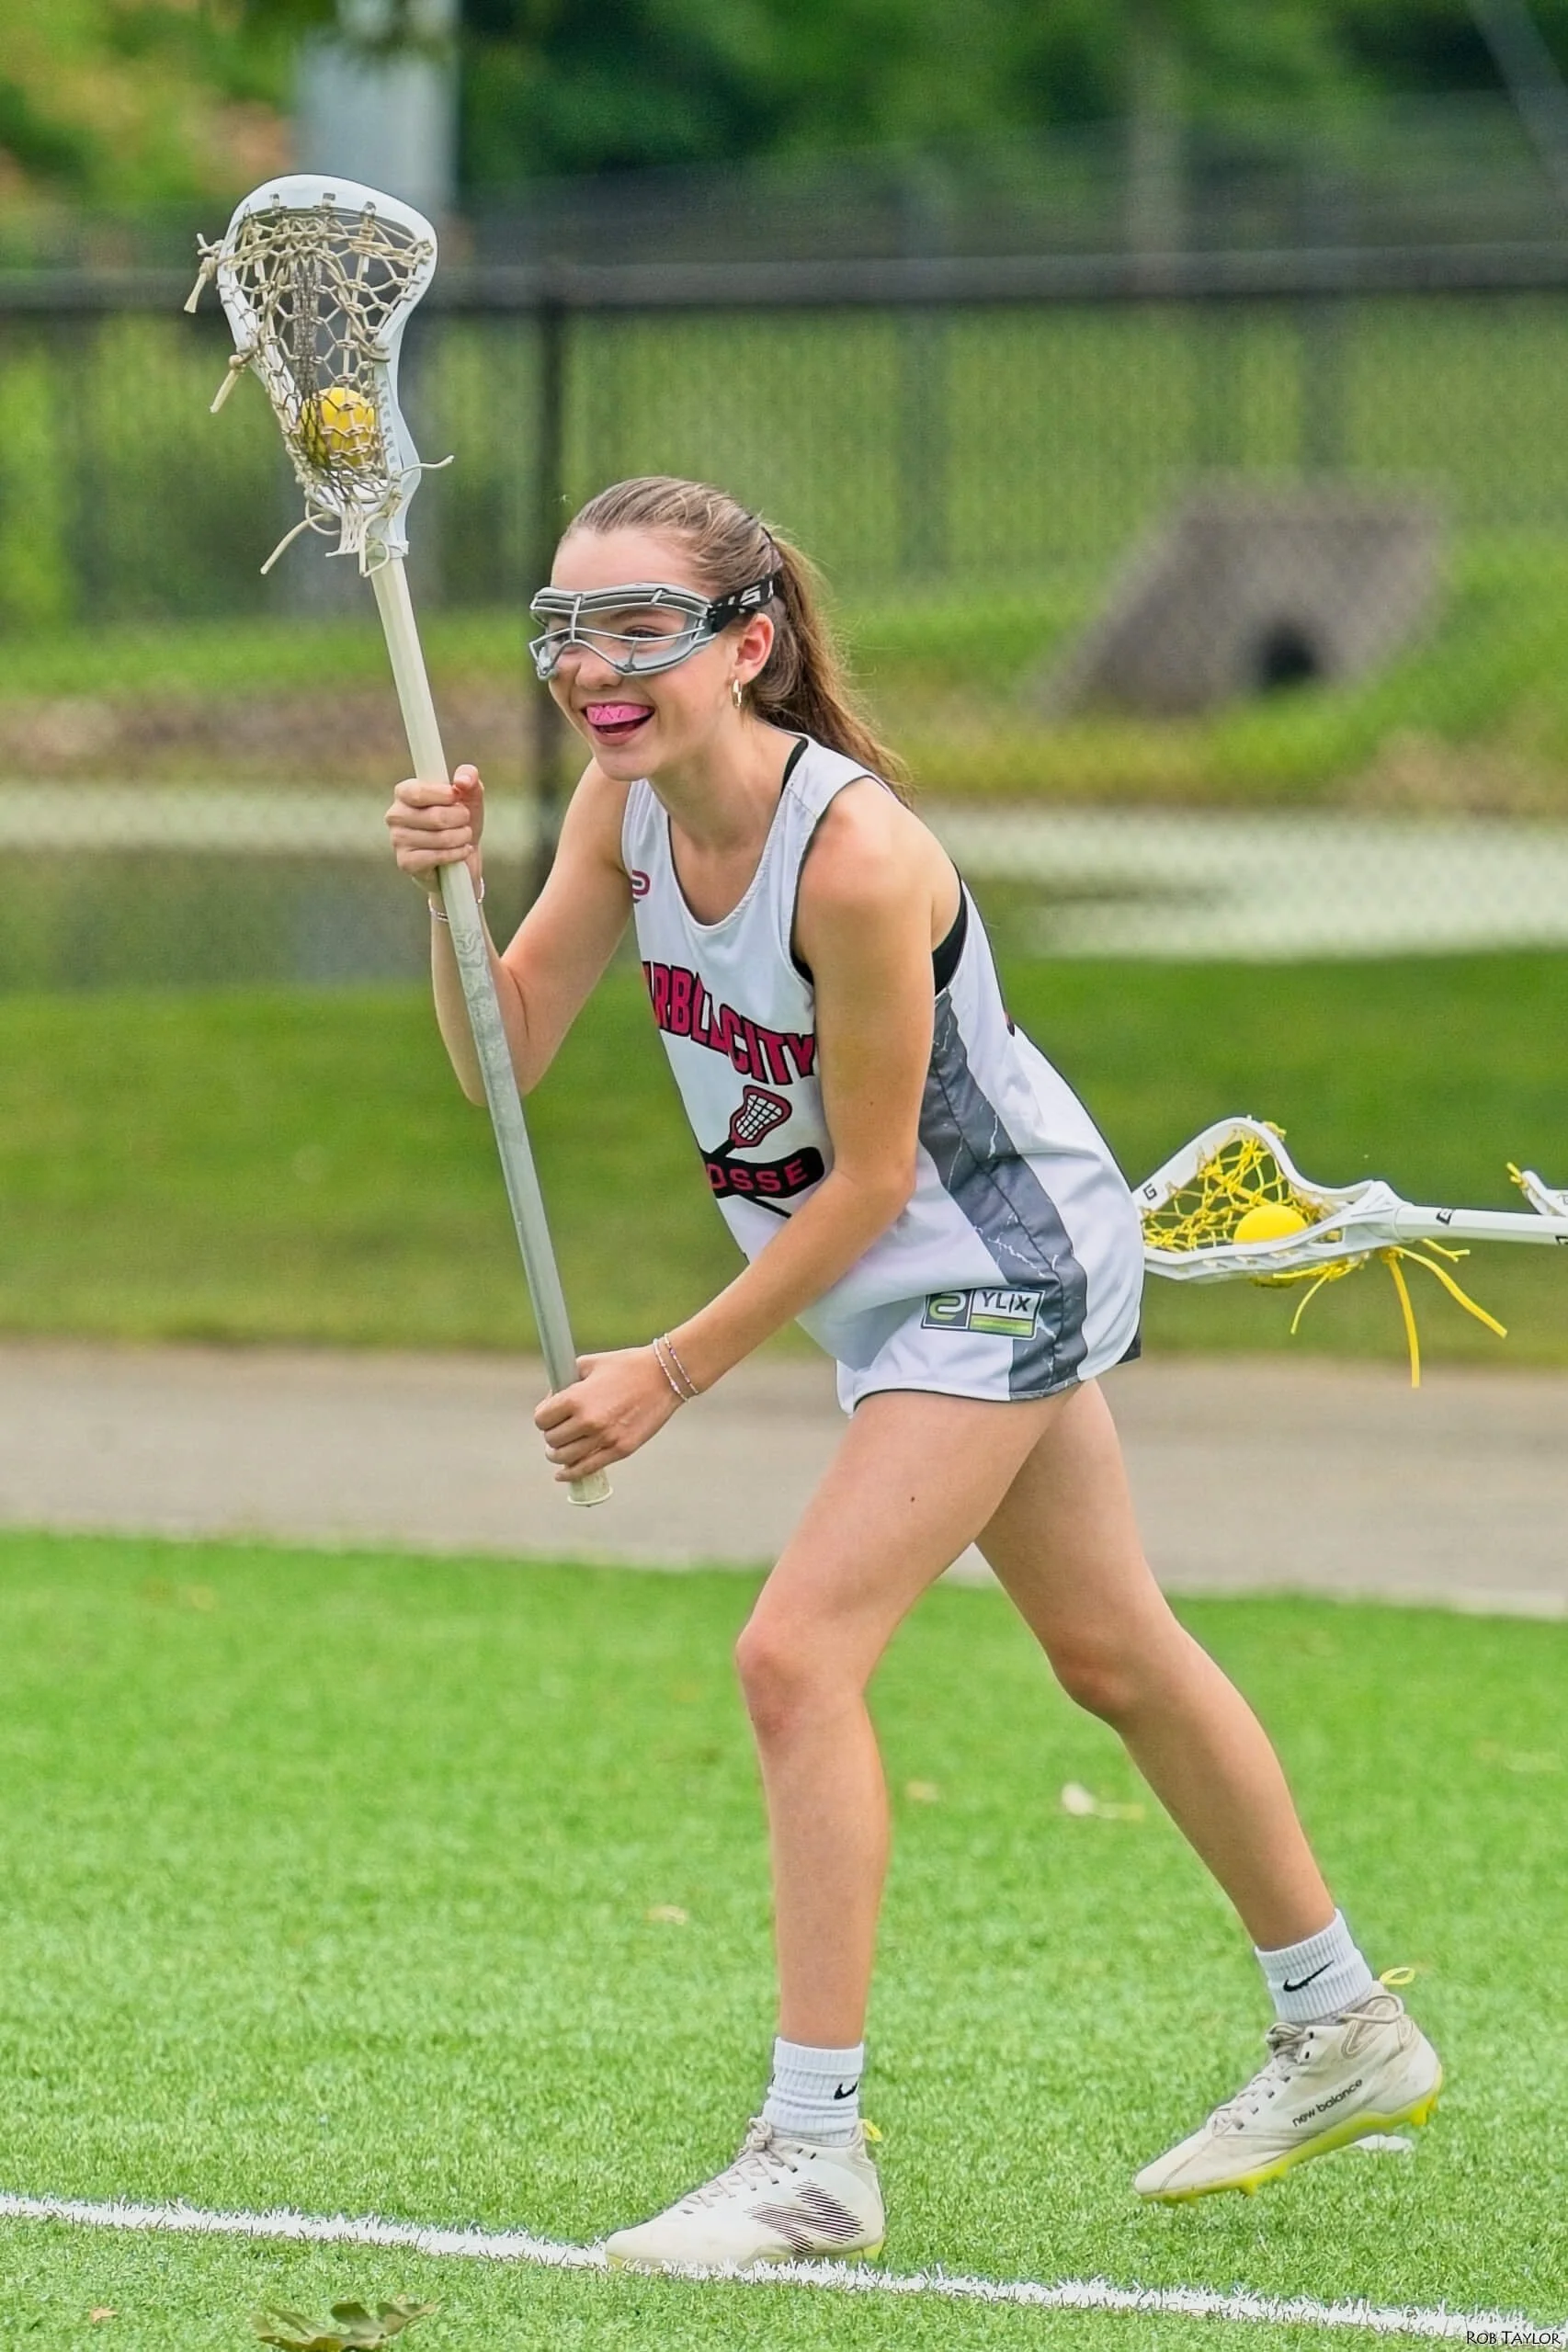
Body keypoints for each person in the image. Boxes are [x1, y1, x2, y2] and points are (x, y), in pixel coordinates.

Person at [384, 473, 1442, 2273]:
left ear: (749, 639)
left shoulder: (858, 856)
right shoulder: (618, 802)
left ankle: (811, 2157)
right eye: (568, 627)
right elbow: (503, 1059)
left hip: (991, 1271)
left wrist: (674, 1371)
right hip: (890, 1286)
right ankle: (1341, 2023)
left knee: (794, 1656)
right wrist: (439, 901)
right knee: (1112, 1653)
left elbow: (876, 1180)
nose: (594, 667)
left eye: (641, 626)